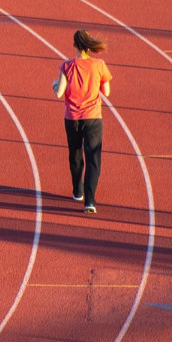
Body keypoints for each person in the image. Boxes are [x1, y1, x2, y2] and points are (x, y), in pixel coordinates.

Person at [52, 29, 112, 213]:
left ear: (75, 45)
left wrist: (55, 84)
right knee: (93, 158)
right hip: (93, 118)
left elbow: (59, 92)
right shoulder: (99, 65)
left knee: (75, 154)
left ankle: (78, 190)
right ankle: (90, 201)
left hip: (72, 118)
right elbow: (107, 92)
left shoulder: (67, 66)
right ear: (89, 44)